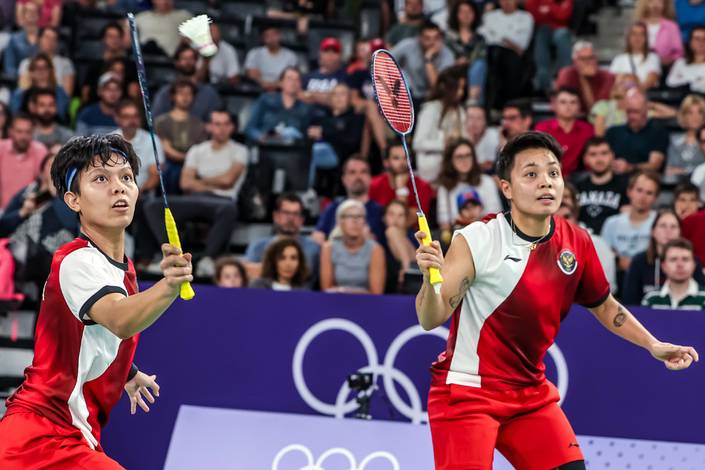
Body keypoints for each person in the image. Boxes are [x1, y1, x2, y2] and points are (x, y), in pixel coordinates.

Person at [414, 131, 698, 470]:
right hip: (468, 392)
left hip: (529, 394)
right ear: (507, 188)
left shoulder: (576, 243)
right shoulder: (478, 239)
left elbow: (606, 306)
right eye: (531, 174)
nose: (546, 183)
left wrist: (653, 345)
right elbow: (430, 318)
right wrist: (429, 278)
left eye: (553, 173)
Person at [0, 134, 193, 468]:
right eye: (101, 178)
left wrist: (127, 371)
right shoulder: (76, 260)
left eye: (127, 178)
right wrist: (170, 286)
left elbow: (92, 332)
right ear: (73, 200)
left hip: (68, 434)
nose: (118, 187)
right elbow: (119, 319)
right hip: (40, 437)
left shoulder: (122, 269)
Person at [147, 111, 246, 278]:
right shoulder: (197, 150)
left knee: (229, 209)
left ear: (232, 127)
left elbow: (228, 181)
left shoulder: (239, 150)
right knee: (153, 206)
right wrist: (213, 182)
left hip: (223, 200)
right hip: (194, 199)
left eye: (225, 124)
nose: (221, 129)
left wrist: (200, 181)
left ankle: (208, 259)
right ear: (209, 126)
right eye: (216, 124)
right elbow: (185, 183)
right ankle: (173, 257)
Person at [623, 208, 705, 305]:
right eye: (663, 226)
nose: (668, 231)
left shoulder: (692, 260)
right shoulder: (639, 261)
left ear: (680, 232)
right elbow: (629, 302)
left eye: (673, 227)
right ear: (653, 231)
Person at [436, 138, 502, 242]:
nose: (464, 160)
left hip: (487, 235)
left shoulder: (486, 181)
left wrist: (473, 221)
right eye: (459, 157)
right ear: (450, 160)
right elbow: (444, 222)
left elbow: (496, 215)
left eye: (468, 155)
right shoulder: (445, 187)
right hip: (458, 237)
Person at [243, 193, 320, 282]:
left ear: (302, 220)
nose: (291, 218)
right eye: (286, 213)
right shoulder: (258, 246)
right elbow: (248, 274)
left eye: (296, 214)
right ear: (275, 216)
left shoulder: (314, 249)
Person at [310, 156, 385, 243]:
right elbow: (317, 235)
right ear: (344, 179)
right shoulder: (333, 208)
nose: (358, 176)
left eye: (363, 172)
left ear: (370, 178)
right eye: (352, 172)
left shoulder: (380, 211)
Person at [306, 83, 364, 193]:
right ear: (330, 99)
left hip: (339, 156)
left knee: (314, 151)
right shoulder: (320, 118)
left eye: (342, 94)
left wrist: (324, 134)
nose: (338, 98)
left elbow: (352, 141)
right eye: (335, 95)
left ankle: (307, 189)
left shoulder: (355, 118)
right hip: (316, 154)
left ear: (349, 98)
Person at [413, 65, 467, 182]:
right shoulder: (431, 109)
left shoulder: (460, 111)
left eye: (463, 88)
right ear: (446, 88)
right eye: (458, 88)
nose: (461, 93)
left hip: (455, 167)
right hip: (432, 167)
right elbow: (418, 143)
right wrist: (444, 144)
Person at [154, 78, 208, 194]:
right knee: (170, 170)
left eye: (189, 94)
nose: (185, 97)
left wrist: (191, 162)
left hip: (194, 163)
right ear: (173, 96)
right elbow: (166, 149)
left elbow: (201, 149)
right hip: (170, 163)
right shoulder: (162, 122)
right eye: (181, 93)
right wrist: (187, 159)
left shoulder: (199, 124)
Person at [320, 199, 386, 294]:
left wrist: (343, 291)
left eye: (359, 216)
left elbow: (376, 293)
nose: (355, 221)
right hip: (335, 303)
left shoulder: (376, 249)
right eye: (350, 216)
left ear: (364, 221)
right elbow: (326, 290)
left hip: (367, 304)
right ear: (340, 222)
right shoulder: (328, 248)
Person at [601, 170, 660, 273]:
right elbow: (604, 255)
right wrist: (618, 260)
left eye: (649, 193)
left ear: (655, 198)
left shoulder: (660, 222)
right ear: (629, 192)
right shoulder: (611, 223)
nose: (643, 197)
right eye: (639, 190)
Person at [479, 0, 534, 109]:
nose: (507, 2)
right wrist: (506, 39)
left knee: (508, 60)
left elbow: (521, 45)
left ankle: (507, 105)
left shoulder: (526, 17)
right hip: (491, 53)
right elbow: (484, 37)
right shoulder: (490, 16)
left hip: (514, 56)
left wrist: (496, 35)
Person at [151, 45, 223, 122]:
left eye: (191, 58)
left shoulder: (209, 93)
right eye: (184, 58)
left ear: (196, 61)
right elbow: (155, 120)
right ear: (177, 62)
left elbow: (217, 121)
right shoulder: (165, 92)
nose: (188, 62)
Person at [244, 67, 314, 144]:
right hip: (266, 147)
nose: (293, 83)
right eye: (289, 79)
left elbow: (306, 135)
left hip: (293, 151)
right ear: (281, 82)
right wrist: (261, 137)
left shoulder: (305, 107)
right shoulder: (266, 100)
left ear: (300, 84)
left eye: (297, 80)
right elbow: (250, 128)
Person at [605, 89, 668, 174]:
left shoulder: (657, 132)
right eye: (628, 111)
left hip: (643, 178)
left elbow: (654, 165)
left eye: (635, 112)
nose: (631, 116)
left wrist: (630, 167)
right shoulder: (613, 132)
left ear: (645, 110)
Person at [535, 87, 594, 177]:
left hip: (579, 178)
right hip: (548, 175)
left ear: (579, 107)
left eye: (573, 102)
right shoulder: (542, 128)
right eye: (563, 102)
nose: (568, 106)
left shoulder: (588, 129)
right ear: (554, 105)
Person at [573, 137, 628, 234]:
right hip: (582, 240)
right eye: (593, 154)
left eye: (604, 153)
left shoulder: (626, 187)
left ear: (612, 156)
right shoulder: (576, 188)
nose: (599, 159)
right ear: (585, 159)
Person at [391, 21, 455, 102]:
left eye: (436, 38)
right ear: (419, 38)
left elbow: (437, 86)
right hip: (408, 95)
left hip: (434, 98)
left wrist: (428, 59)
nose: (432, 42)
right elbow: (384, 61)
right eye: (427, 38)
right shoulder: (408, 45)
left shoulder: (447, 54)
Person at [369, 143, 434, 219]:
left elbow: (407, 221)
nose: (402, 163)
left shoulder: (422, 186)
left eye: (405, 158)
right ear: (386, 162)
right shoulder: (373, 185)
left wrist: (401, 189)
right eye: (396, 158)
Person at [0, 113, 48, 210]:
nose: (23, 136)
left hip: (30, 211)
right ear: (10, 132)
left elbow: (46, 184)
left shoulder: (40, 151)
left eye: (27, 132)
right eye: (19, 131)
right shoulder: (1, 148)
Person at [525, 0, 573, 94]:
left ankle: (566, 78)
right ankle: (543, 80)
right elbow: (534, 15)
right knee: (542, 33)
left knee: (561, 35)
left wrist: (549, 6)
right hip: (544, 29)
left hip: (561, 29)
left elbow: (563, 16)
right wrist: (553, 10)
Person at [642, 238, 705, 309]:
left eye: (685, 259)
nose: (680, 264)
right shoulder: (651, 299)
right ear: (663, 266)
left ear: (694, 265)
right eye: (673, 259)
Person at [444, 0, 487, 103]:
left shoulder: (480, 38)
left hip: (473, 71)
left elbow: (481, 55)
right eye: (462, 12)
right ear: (456, 14)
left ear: (475, 14)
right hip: (452, 70)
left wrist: (467, 61)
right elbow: (444, 56)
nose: (466, 15)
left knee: (480, 65)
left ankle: (474, 102)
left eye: (469, 12)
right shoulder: (447, 37)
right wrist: (456, 63)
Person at [556, 41, 615, 115]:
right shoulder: (567, 74)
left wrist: (584, 80)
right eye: (583, 59)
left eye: (591, 58)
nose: (588, 62)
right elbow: (567, 106)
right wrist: (583, 78)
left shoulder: (606, 76)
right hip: (575, 119)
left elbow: (596, 110)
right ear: (575, 62)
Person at [10, 53, 69, 120]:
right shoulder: (21, 93)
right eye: (37, 68)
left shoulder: (59, 92)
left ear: (50, 71)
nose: (41, 72)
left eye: (45, 67)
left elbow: (62, 115)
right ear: (31, 72)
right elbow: (15, 118)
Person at [18, 27, 75, 97]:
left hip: (55, 99)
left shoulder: (66, 63)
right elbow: (23, 88)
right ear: (39, 40)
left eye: (54, 39)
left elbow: (67, 94)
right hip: (31, 97)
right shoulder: (25, 63)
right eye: (47, 38)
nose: (50, 41)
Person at [244, 22, 299, 92]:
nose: (271, 39)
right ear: (263, 39)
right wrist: (264, 84)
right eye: (267, 36)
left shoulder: (290, 56)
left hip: (281, 91)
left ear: (279, 35)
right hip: (258, 90)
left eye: (274, 35)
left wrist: (274, 85)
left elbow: (292, 78)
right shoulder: (254, 53)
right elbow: (252, 75)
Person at [609, 22, 661, 91]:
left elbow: (651, 80)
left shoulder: (653, 57)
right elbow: (614, 82)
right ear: (628, 37)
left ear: (646, 38)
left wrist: (635, 92)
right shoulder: (619, 59)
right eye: (634, 34)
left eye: (641, 34)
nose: (637, 38)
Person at [301, 37, 348, 110]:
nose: (330, 54)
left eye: (335, 51)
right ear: (320, 54)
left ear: (340, 56)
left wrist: (311, 95)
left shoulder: (345, 77)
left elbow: (339, 103)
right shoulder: (307, 77)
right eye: (326, 51)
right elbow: (297, 95)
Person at [633, 0, 683, 67]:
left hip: (663, 67)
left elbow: (679, 52)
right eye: (651, 1)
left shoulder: (672, 26)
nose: (655, 5)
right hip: (639, 63)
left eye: (659, 2)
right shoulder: (638, 25)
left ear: (664, 5)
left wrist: (669, 59)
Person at [666, 94, 705, 179]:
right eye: (690, 112)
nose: (696, 117)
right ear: (684, 116)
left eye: (700, 112)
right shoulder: (674, 141)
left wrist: (684, 171)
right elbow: (670, 171)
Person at [383, 199, 418, 288]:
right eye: (391, 214)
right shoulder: (383, 236)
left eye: (400, 215)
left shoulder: (412, 237)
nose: (395, 219)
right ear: (384, 217)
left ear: (406, 219)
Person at [4, 2, 39, 79]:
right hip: (21, 80)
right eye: (29, 12)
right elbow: (9, 68)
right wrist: (23, 76)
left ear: (38, 16)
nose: (31, 14)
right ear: (23, 16)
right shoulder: (14, 39)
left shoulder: (44, 37)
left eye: (34, 12)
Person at [666, 26, 705, 93]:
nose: (701, 42)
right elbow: (670, 82)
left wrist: (684, 80)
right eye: (697, 39)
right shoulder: (680, 63)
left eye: (704, 39)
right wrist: (697, 80)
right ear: (690, 42)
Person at [465, 105, 499, 172]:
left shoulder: (494, 135)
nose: (474, 122)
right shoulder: (458, 136)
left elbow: (489, 166)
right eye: (470, 118)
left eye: (479, 118)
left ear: (485, 122)